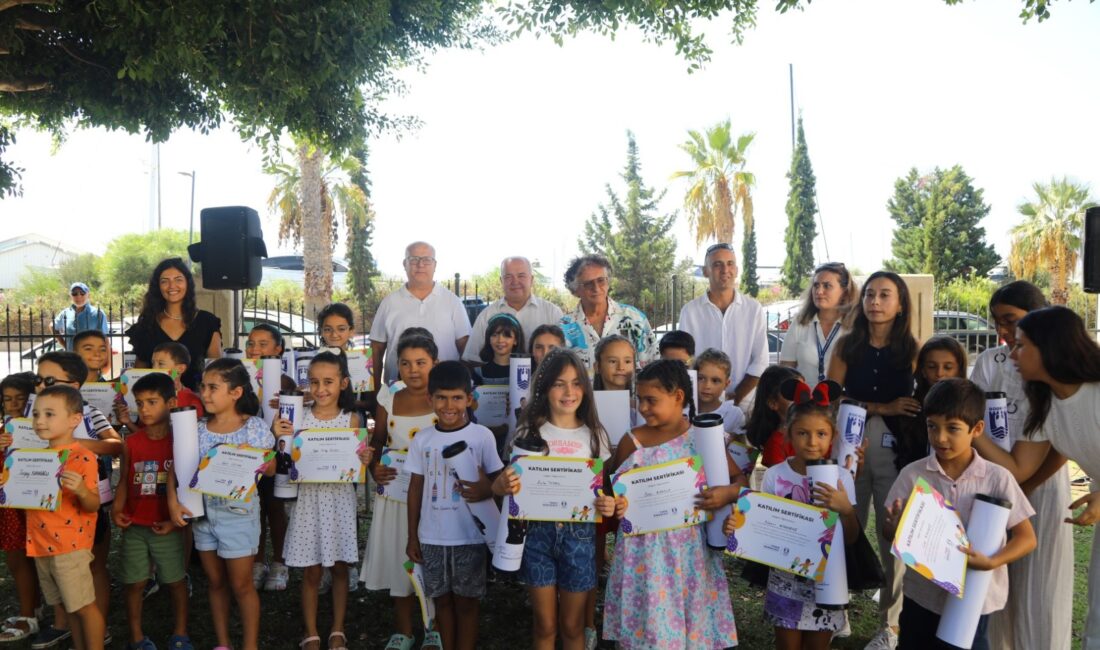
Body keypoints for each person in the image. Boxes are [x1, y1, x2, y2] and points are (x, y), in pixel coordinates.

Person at [969, 306, 1100, 650]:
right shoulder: (1047, 403)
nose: (1011, 353)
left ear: (1051, 348)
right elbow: (1018, 469)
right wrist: (971, 428)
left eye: (1022, 345)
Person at [884, 379, 1037, 650]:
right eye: (932, 426)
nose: (940, 438)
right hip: (923, 597)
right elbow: (890, 533)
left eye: (953, 428)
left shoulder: (997, 478)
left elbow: (1026, 538)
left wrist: (992, 562)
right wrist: (894, 527)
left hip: (974, 602)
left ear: (977, 429)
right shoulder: (913, 474)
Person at [602, 360, 742, 649]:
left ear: (678, 397)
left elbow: (740, 480)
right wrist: (618, 504)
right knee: (650, 625)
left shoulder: (702, 439)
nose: (642, 408)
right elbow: (612, 489)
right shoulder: (633, 441)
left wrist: (727, 494)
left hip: (691, 551)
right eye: (639, 399)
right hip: (644, 554)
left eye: (651, 400)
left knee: (692, 623)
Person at [492, 348, 614, 650]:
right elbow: (503, 489)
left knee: (573, 626)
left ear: (585, 387)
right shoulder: (528, 430)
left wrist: (607, 505)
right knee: (545, 625)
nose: (569, 391)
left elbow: (605, 494)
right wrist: (501, 484)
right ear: (545, 388)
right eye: (560, 383)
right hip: (537, 537)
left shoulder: (595, 435)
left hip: (580, 539)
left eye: (576, 382)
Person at [727, 378, 859, 648]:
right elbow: (764, 529)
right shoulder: (776, 475)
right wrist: (738, 528)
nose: (812, 442)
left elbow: (851, 538)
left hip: (827, 580)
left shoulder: (842, 478)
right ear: (788, 433)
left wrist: (845, 509)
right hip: (785, 581)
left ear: (832, 436)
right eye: (802, 433)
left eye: (821, 434)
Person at [827, 271, 918, 650]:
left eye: (885, 295)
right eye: (869, 295)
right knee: (842, 526)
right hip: (849, 448)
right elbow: (831, 398)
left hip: (897, 453)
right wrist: (880, 406)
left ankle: (891, 625)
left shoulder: (912, 350)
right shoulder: (847, 346)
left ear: (900, 305)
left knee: (893, 535)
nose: (875, 302)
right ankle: (836, 611)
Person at [167, 358, 274, 650]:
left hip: (238, 514)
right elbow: (176, 469)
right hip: (202, 515)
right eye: (203, 387)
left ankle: (250, 645)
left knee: (241, 585)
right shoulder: (196, 429)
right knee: (215, 583)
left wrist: (248, 459)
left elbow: (272, 468)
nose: (206, 394)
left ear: (236, 392)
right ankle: (223, 643)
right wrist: (173, 502)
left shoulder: (254, 427)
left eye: (214, 387)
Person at [405, 361, 503, 650]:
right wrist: (412, 536)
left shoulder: (481, 436)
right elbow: (415, 489)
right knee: (442, 603)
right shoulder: (422, 440)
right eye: (442, 397)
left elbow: (498, 482)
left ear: (469, 399)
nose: (449, 405)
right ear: (430, 399)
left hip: (470, 538)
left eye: (457, 398)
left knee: (467, 604)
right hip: (432, 538)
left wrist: (486, 489)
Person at [278, 353, 373, 650]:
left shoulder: (353, 419)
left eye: (329, 382)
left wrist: (366, 458)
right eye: (314, 382)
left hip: (340, 501)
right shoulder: (299, 417)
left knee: (341, 567)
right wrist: (279, 436)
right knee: (312, 570)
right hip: (308, 501)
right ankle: (310, 630)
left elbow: (359, 462)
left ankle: (337, 628)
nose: (321, 389)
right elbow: (285, 459)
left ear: (343, 383)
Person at [1, 385, 105, 650]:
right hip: (40, 544)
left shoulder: (83, 457)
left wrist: (81, 489)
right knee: (68, 606)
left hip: (70, 547)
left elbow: (93, 504)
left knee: (84, 607)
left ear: (74, 420)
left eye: (49, 414)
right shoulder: (33, 457)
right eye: (36, 414)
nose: (39, 421)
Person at [37, 351, 122, 647]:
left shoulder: (84, 427)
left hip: (75, 533)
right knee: (68, 600)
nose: (39, 386)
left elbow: (115, 446)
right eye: (38, 380)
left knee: (89, 583)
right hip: (43, 535)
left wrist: (72, 444)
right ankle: (76, 637)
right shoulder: (36, 425)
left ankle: (98, 633)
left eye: (47, 380)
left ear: (73, 384)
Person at [363, 333, 439, 650]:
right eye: (405, 363)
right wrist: (374, 468)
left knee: (434, 560)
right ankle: (404, 630)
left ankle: (434, 628)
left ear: (434, 363)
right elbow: (378, 440)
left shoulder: (445, 397)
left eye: (421, 362)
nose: (413, 370)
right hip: (395, 494)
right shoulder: (388, 397)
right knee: (400, 559)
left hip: (435, 498)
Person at [110, 372, 192, 650]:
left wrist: (173, 521)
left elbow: (187, 489)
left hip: (167, 527)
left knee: (175, 582)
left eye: (152, 402)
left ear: (171, 403)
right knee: (134, 583)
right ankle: (136, 637)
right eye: (140, 402)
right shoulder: (131, 443)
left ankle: (181, 634)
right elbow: (124, 479)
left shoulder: (182, 442)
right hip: (135, 527)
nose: (144, 409)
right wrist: (117, 510)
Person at [0, 372, 54, 646]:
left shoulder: (43, 429)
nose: (13, 405)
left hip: (33, 502)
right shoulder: (5, 431)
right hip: (11, 506)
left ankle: (29, 617)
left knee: (29, 560)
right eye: (7, 400)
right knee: (16, 559)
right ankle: (32, 608)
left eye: (20, 399)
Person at [371, 242, 471, 387]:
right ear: (405, 264)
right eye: (414, 259)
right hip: (398, 394)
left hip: (444, 392)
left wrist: (463, 387)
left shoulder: (452, 302)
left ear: (435, 265)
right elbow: (376, 350)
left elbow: (466, 349)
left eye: (426, 259)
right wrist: (375, 393)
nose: (420, 265)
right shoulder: (389, 303)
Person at [678, 243, 767, 406]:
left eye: (730, 263)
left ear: (737, 270)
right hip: (702, 406)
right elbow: (685, 362)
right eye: (717, 264)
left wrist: (736, 397)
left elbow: (760, 362)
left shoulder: (754, 310)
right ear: (706, 271)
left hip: (746, 406)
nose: (725, 270)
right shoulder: (690, 312)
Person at [246, 323, 295, 593]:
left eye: (263, 344)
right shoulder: (238, 376)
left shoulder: (284, 381)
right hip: (248, 450)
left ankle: (279, 561)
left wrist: (287, 400)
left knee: (275, 507)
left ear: (278, 349)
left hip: (276, 451)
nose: (255, 349)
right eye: (251, 343)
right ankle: (257, 561)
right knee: (254, 507)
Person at [126, 258, 223, 391]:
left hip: (198, 406)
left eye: (178, 279)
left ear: (187, 283)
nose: (172, 286)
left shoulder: (207, 322)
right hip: (155, 407)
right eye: (165, 281)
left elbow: (216, 372)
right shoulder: (146, 325)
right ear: (158, 287)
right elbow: (138, 375)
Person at [559, 254, 656, 371]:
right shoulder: (563, 328)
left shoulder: (635, 319)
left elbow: (654, 365)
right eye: (588, 283)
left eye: (601, 280)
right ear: (575, 290)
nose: (596, 288)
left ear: (608, 282)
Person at [462, 257, 563, 367]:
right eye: (508, 277)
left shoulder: (552, 313)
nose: (515, 282)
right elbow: (472, 359)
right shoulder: (487, 315)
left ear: (532, 279)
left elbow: (565, 357)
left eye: (521, 276)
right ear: (501, 281)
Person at [893, 336, 967, 471]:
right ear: (923, 371)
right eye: (932, 367)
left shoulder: (969, 407)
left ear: (959, 370)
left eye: (948, 367)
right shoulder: (912, 409)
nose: (939, 373)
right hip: (919, 484)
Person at [780, 262, 860, 383]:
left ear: (844, 291)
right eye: (816, 285)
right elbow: (785, 369)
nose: (819, 291)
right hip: (803, 399)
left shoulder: (856, 326)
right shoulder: (800, 322)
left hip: (842, 400)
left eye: (827, 286)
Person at [745, 366, 803, 470]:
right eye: (792, 393)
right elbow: (781, 483)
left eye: (804, 390)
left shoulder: (814, 432)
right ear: (773, 403)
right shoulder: (776, 445)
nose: (802, 397)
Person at [693, 349, 747, 438]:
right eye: (701, 378)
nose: (707, 386)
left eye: (715, 381)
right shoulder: (684, 412)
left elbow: (741, 448)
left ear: (726, 384)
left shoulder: (734, 414)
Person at [53, 282, 109, 351]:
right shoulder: (65, 313)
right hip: (71, 358)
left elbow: (105, 340)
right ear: (71, 295)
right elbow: (52, 326)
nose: (78, 296)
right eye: (75, 293)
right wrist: (64, 345)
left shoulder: (98, 313)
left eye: (82, 293)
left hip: (90, 359)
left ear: (88, 295)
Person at [473, 313, 525, 386]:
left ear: (515, 340)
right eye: (494, 335)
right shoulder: (479, 372)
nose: (500, 340)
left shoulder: (526, 371)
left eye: (506, 336)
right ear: (489, 339)